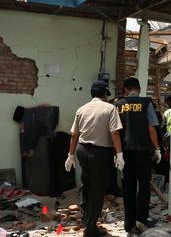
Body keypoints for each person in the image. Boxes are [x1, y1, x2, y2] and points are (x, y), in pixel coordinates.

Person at [65, 80, 123, 237]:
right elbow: (115, 133)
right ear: (104, 94)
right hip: (100, 153)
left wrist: (70, 155)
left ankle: (86, 218)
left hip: (82, 151)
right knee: (98, 190)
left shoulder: (81, 109)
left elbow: (74, 135)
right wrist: (119, 154)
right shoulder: (110, 108)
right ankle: (90, 229)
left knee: (87, 183)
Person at [114, 77, 160, 233]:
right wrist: (157, 148)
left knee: (128, 187)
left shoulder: (118, 104)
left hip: (125, 152)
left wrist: (117, 153)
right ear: (139, 89)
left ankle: (129, 223)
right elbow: (151, 129)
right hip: (143, 152)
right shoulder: (146, 103)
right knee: (144, 186)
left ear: (125, 90)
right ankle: (142, 219)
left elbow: (115, 131)